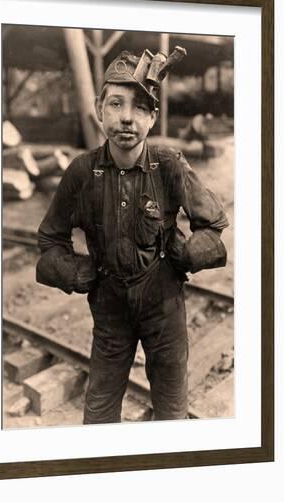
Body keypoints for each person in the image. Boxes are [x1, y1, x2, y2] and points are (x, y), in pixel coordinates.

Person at [36, 47, 229, 424]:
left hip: (164, 308)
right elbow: (49, 241)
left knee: (172, 412)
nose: (127, 118)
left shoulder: (170, 166)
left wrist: (190, 254)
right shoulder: (80, 174)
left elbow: (213, 225)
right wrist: (77, 272)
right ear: (99, 109)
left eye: (140, 107)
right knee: (99, 412)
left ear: (153, 117)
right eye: (116, 104)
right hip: (110, 312)